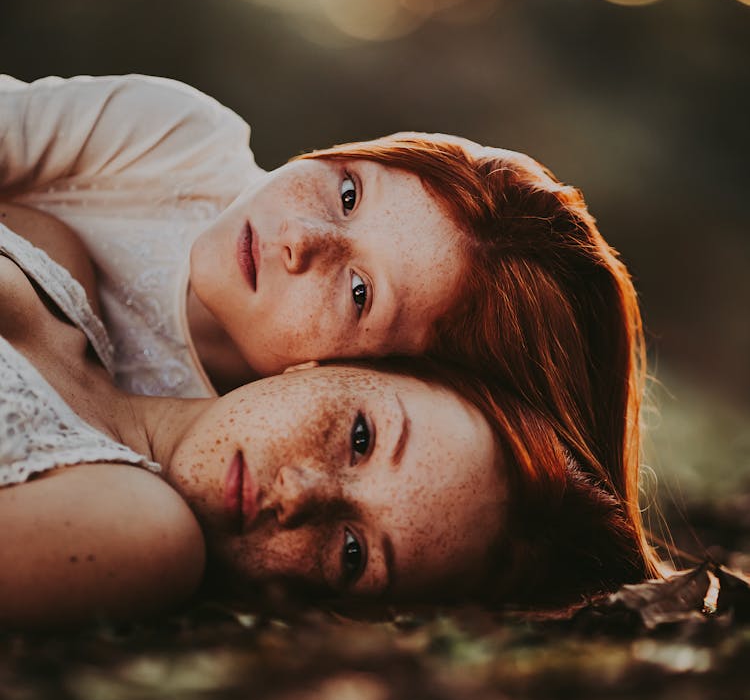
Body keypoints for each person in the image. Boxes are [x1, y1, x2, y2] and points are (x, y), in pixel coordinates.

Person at [0, 73, 651, 571]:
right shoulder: (175, 146)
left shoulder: (223, 462)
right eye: (348, 193)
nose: (300, 239)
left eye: (360, 291)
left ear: (371, 369)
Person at [0, 207, 650, 627]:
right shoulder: (55, 255)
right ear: (333, 361)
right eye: (361, 438)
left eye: (350, 552)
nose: (301, 494)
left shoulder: (144, 534)